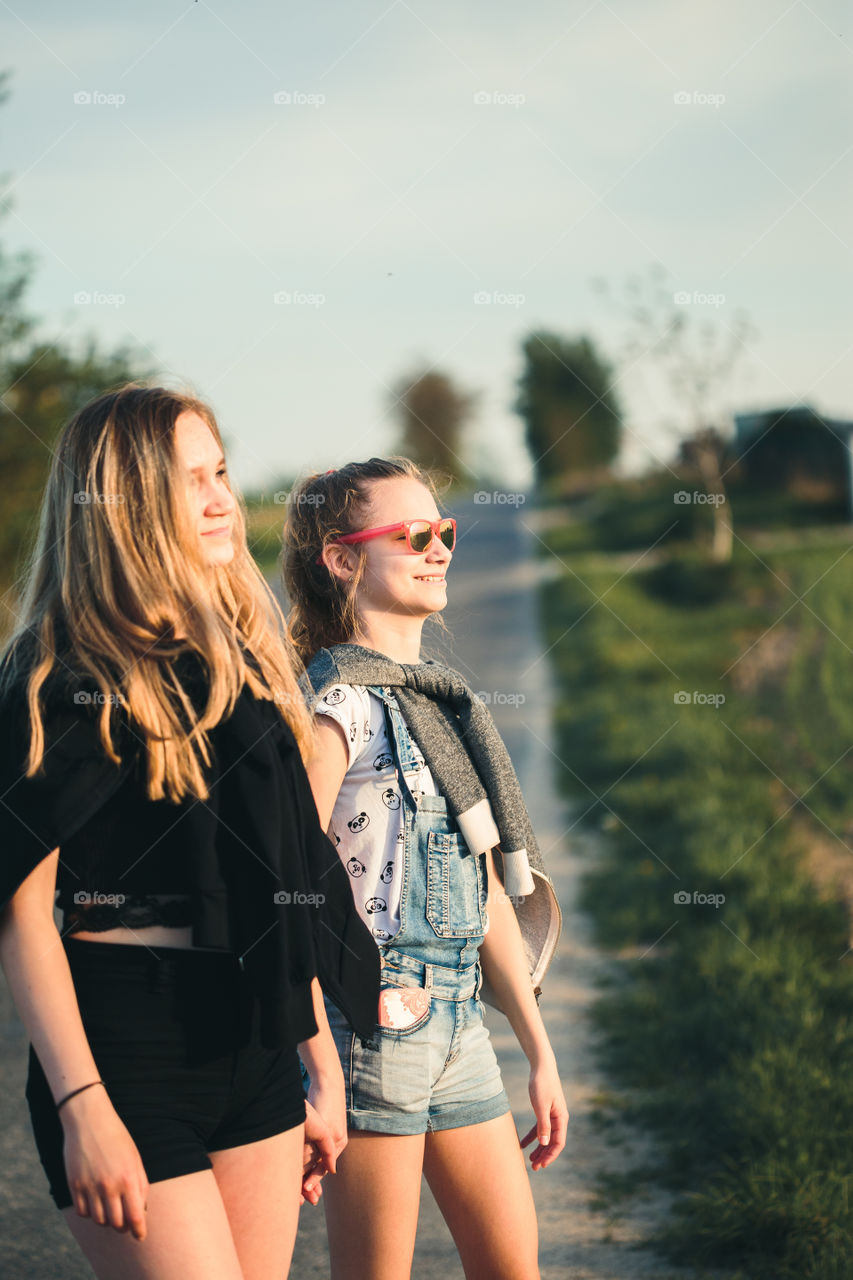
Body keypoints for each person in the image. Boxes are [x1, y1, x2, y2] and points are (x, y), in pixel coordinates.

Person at [0, 385, 379, 1280]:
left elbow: (289, 873)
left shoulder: (244, 654)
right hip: (128, 1049)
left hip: (255, 1043)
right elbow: (20, 911)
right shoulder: (56, 677)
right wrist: (83, 1105)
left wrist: (314, 1060)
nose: (219, 499)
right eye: (190, 481)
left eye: (221, 472)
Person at [282, 457, 568, 1280]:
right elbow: (292, 886)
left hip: (460, 1030)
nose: (438, 547)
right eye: (412, 535)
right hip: (371, 1026)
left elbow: (478, 896)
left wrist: (538, 1051)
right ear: (341, 558)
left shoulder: (439, 704)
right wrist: (318, 1062)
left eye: (442, 532)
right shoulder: (336, 705)